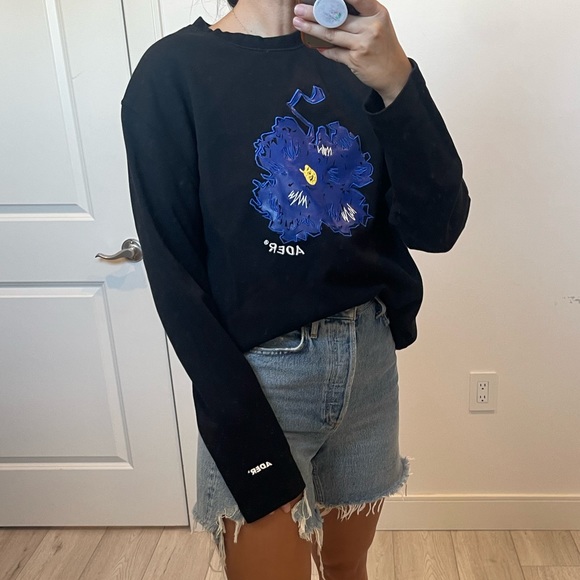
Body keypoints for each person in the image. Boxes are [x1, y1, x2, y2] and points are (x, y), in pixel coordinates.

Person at [120, 0, 470, 577]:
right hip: (260, 379)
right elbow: (177, 278)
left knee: (347, 566)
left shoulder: (363, 58)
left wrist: (396, 81)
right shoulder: (173, 72)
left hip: (369, 359)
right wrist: (238, 424)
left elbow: (439, 227)